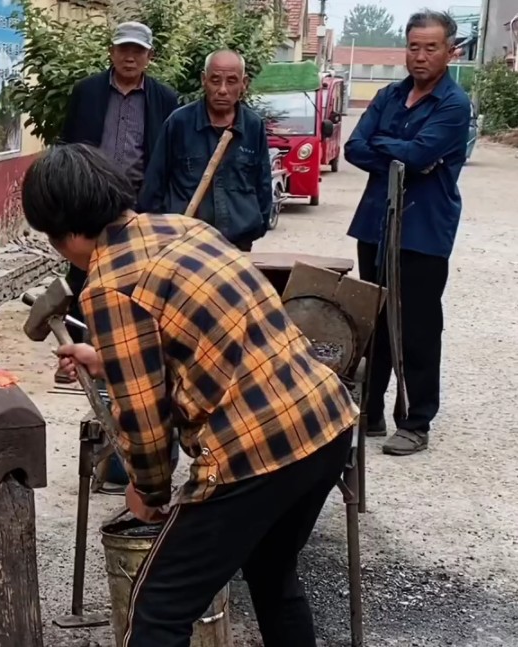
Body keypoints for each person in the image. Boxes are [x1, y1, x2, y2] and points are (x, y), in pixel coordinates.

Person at [22, 143, 357, 647]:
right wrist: (105, 355)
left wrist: (148, 491)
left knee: (157, 609)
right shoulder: (184, 228)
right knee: (272, 575)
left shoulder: (108, 286)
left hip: (255, 450)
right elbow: (198, 336)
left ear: (64, 230)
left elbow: (144, 418)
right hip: (325, 421)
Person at [344, 10, 470, 456]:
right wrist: (402, 155)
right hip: (376, 223)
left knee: (416, 325)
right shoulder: (390, 95)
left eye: (430, 47)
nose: (420, 56)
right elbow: (354, 147)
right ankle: (372, 411)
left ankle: (415, 421)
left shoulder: (454, 105)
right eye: (413, 47)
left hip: (422, 229)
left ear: (450, 51)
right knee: (373, 319)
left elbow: (419, 157)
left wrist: (399, 152)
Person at [55, 21, 179, 381]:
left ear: (149, 57)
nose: (130, 57)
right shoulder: (88, 91)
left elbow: (166, 156)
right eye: (123, 49)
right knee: (81, 277)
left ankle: (129, 359)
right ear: (111, 52)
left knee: (136, 283)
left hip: (139, 204)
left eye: (138, 51)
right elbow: (68, 143)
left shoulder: (164, 99)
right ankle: (73, 358)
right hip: (89, 201)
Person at [138, 49, 272, 252]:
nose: (223, 90)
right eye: (215, 80)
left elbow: (263, 185)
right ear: (203, 80)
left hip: (237, 244)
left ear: (244, 84)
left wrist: (256, 226)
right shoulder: (179, 122)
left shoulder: (253, 126)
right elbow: (154, 185)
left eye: (232, 81)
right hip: (185, 244)